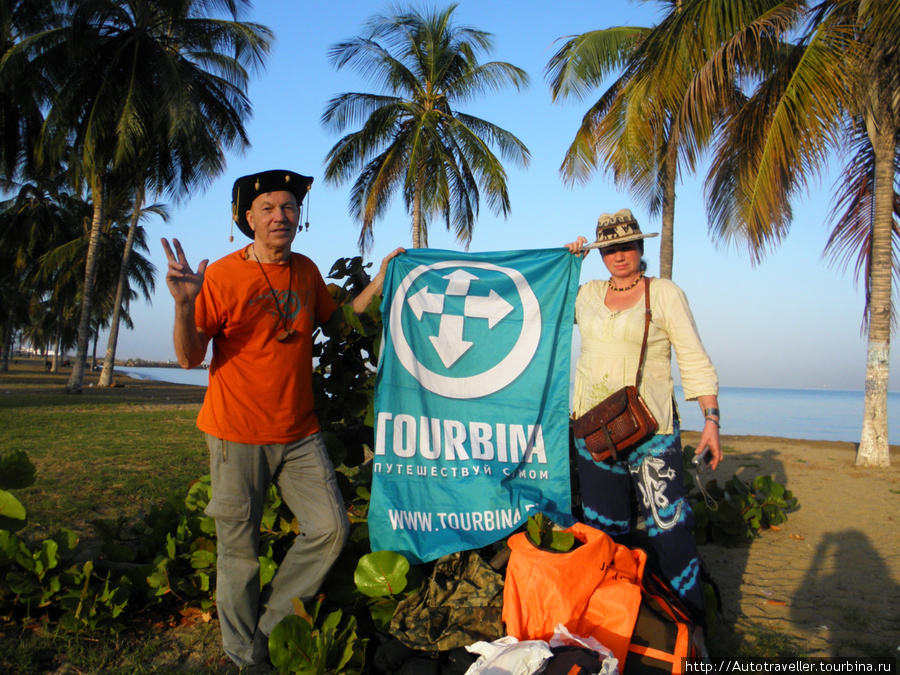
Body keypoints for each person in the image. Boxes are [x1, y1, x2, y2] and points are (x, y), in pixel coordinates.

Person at [162, 169, 404, 669]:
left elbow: (337, 325)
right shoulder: (224, 276)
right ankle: (242, 656)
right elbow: (189, 359)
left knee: (330, 529)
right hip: (236, 432)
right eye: (268, 208)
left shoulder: (306, 270)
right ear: (247, 219)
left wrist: (379, 280)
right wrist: (186, 306)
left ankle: (268, 630)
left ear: (300, 217)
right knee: (238, 552)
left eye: (289, 207)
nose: (280, 216)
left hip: (299, 432)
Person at [565, 208, 721, 647]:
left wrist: (711, 418)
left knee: (669, 532)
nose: (619, 255)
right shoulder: (587, 294)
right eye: (609, 248)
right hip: (593, 437)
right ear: (601, 253)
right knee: (604, 537)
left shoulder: (664, 293)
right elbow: (544, 304)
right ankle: (618, 633)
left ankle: (693, 637)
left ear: (640, 248)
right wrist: (568, 263)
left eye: (626, 246)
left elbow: (691, 354)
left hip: (649, 433)